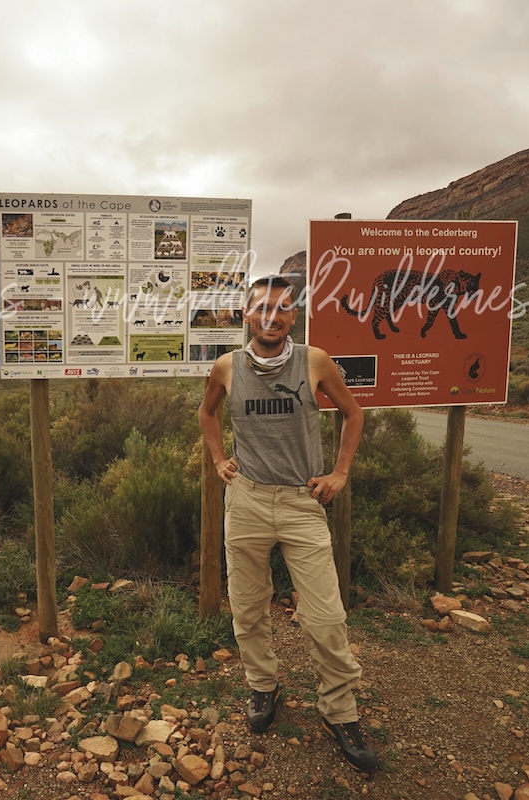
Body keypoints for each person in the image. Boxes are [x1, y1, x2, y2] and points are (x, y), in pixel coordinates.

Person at [198, 274, 377, 773]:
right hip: (249, 501)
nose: (271, 318)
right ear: (247, 315)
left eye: (282, 309)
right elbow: (206, 413)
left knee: (325, 616)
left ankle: (340, 711)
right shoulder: (226, 367)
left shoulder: (314, 361)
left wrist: (340, 472)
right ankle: (262, 686)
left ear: (293, 316)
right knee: (250, 607)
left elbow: (353, 413)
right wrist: (218, 460)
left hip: (302, 503)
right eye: (261, 309)